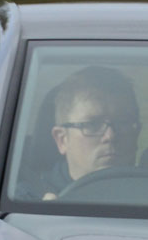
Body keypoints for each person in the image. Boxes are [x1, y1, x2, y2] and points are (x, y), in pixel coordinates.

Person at [43, 66, 141, 195]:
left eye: (123, 123)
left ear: (137, 133)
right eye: (92, 125)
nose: (110, 136)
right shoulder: (28, 203)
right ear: (62, 139)